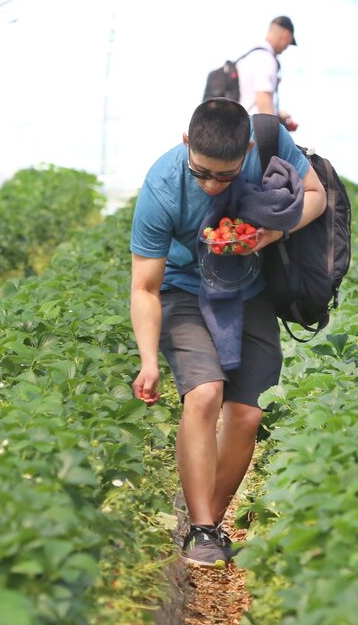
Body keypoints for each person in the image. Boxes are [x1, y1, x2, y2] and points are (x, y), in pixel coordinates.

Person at [129, 99, 325, 566]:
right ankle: (200, 527)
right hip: (182, 291)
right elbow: (144, 286)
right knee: (203, 394)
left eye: (226, 176)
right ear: (186, 145)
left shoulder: (267, 145)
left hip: (248, 287)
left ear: (249, 151)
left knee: (247, 415)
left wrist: (271, 234)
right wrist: (149, 360)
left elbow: (315, 194)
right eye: (202, 173)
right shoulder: (162, 186)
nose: (213, 184)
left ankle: (206, 526)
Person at [235, 16, 298, 133]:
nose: (286, 48)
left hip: (241, 128)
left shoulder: (251, 55)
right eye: (289, 43)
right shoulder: (266, 60)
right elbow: (264, 105)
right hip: (254, 133)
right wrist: (276, 137)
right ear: (286, 35)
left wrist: (277, 115)